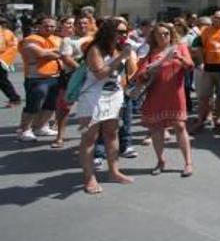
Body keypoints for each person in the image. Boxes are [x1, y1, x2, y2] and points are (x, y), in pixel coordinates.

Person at [76, 18, 135, 194]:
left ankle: (114, 171)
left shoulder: (119, 49)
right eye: (120, 32)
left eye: (126, 32)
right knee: (89, 138)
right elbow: (100, 73)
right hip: (93, 97)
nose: (124, 35)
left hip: (114, 95)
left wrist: (128, 57)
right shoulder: (95, 49)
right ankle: (89, 178)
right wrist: (121, 58)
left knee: (112, 134)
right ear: (109, 31)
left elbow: (129, 72)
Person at [135, 23, 195, 177]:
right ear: (154, 37)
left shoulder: (180, 47)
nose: (163, 37)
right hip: (156, 94)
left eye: (166, 34)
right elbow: (140, 76)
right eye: (159, 34)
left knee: (180, 126)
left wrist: (179, 57)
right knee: (156, 128)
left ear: (171, 34)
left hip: (175, 94)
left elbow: (190, 66)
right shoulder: (151, 53)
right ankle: (160, 161)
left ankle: (188, 163)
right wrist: (152, 68)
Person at [17, 15, 62, 142]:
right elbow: (40, 53)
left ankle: (41, 127)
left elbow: (64, 53)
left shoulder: (56, 39)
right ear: (38, 26)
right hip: (36, 78)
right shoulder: (31, 39)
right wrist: (57, 52)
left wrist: (50, 53)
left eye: (52, 26)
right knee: (33, 104)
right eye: (46, 26)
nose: (49, 28)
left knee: (50, 104)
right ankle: (24, 130)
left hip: (55, 76)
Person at [193, 10, 220, 133]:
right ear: (212, 18)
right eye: (216, 18)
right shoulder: (204, 31)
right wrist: (201, 62)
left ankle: (218, 121)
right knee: (204, 97)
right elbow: (199, 47)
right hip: (208, 67)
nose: (219, 20)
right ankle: (201, 120)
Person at [50, 16, 80, 149]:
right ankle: (59, 136)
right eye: (76, 24)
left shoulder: (93, 39)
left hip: (92, 77)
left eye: (86, 23)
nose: (81, 26)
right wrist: (82, 71)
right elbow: (65, 57)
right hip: (70, 76)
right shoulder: (66, 40)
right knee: (65, 107)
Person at [0, 17, 22, 106]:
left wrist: (4, 59)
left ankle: (14, 98)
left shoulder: (7, 33)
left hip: (2, 60)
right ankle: (14, 98)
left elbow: (12, 48)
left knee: (2, 81)